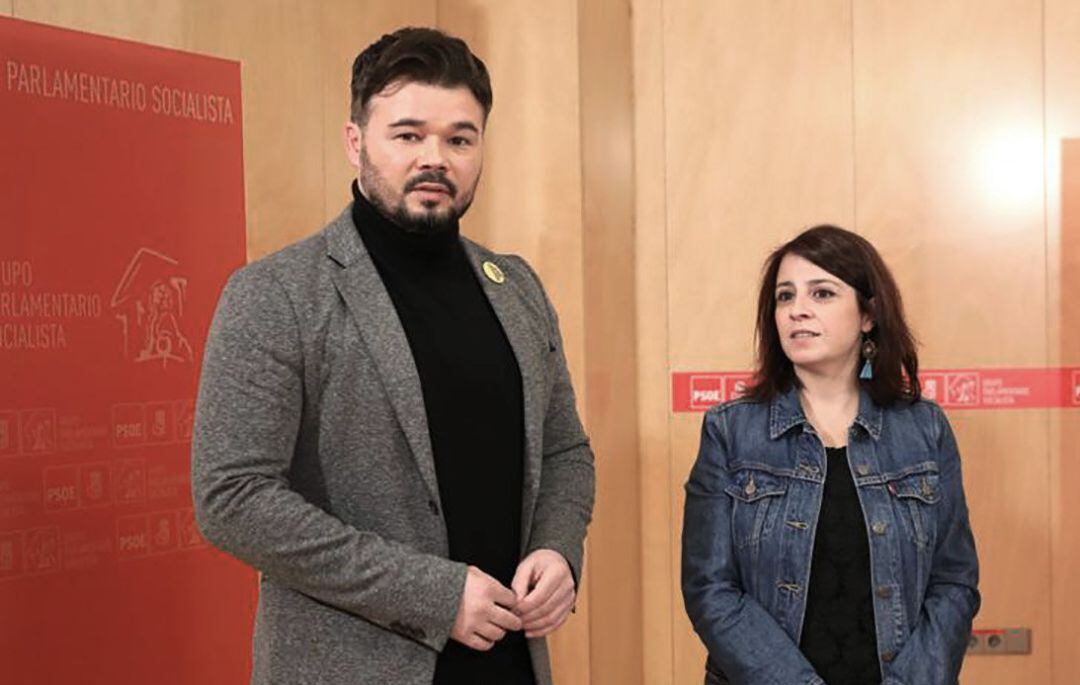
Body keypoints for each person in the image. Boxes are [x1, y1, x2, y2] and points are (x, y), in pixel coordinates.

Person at [192, 27, 595, 685]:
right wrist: (430, 593)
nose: (434, 157)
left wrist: (559, 548)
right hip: (351, 663)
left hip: (511, 660)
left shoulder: (516, 286)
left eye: (459, 138)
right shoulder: (277, 293)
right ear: (356, 141)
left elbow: (564, 451)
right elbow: (231, 496)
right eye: (408, 135)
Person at [681, 225, 979, 685]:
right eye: (784, 297)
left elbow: (954, 582)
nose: (797, 311)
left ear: (868, 314)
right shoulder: (730, 430)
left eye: (821, 293)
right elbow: (711, 590)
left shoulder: (924, 428)